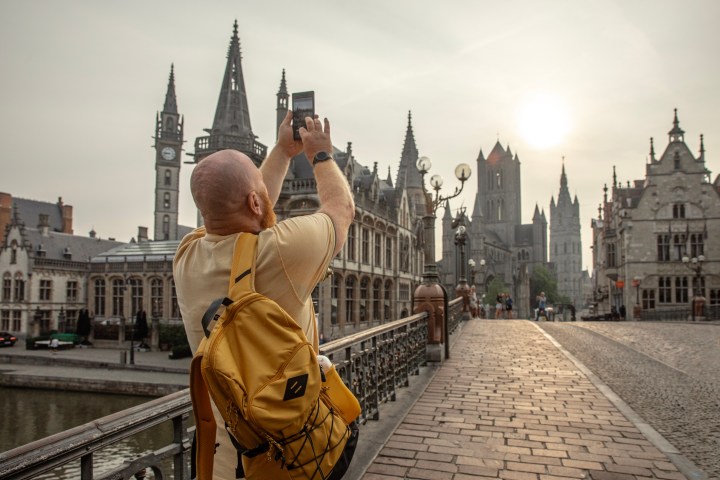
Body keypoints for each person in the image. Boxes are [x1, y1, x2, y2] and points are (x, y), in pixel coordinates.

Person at [173, 111, 355, 479]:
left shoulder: (186, 258)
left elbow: (246, 207)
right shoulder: (282, 252)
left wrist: (282, 153)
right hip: (292, 455)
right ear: (257, 202)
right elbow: (341, 210)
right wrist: (320, 154)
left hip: (223, 459)